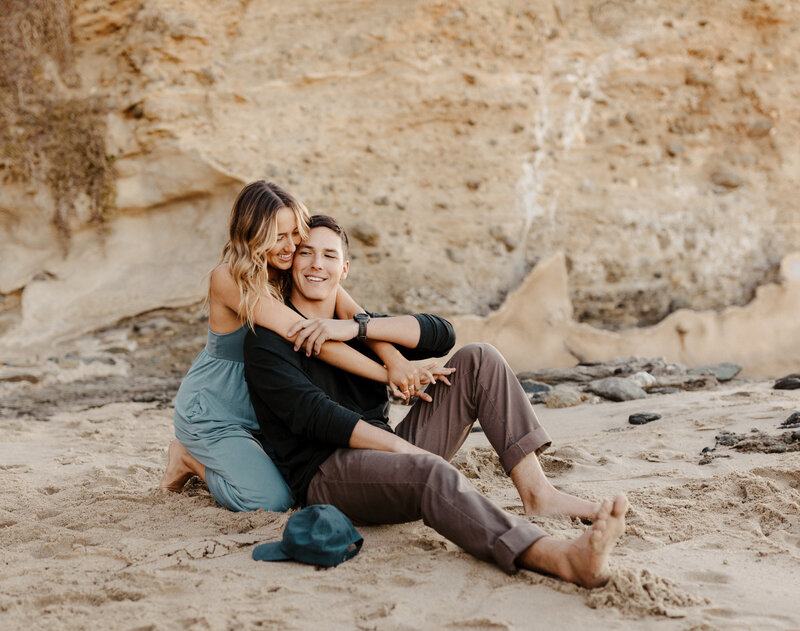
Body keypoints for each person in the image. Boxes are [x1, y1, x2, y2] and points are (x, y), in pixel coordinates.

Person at [243, 214, 628, 587]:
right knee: (431, 473)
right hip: (327, 474)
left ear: (345, 270)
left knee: (480, 358)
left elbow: (442, 334)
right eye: (306, 252)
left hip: (384, 453)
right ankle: (555, 557)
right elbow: (315, 415)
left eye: (329, 256)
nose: (316, 264)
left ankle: (538, 493)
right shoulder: (268, 338)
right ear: (291, 262)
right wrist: (405, 450)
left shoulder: (358, 328)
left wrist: (355, 326)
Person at [159, 181, 443, 512]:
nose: (292, 245)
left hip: (264, 404)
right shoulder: (229, 278)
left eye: (295, 233)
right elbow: (311, 340)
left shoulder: (290, 269)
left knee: (293, 484)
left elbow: (356, 316)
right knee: (271, 500)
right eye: (279, 236)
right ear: (253, 235)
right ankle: (189, 460)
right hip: (216, 408)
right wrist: (385, 375)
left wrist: (396, 361)